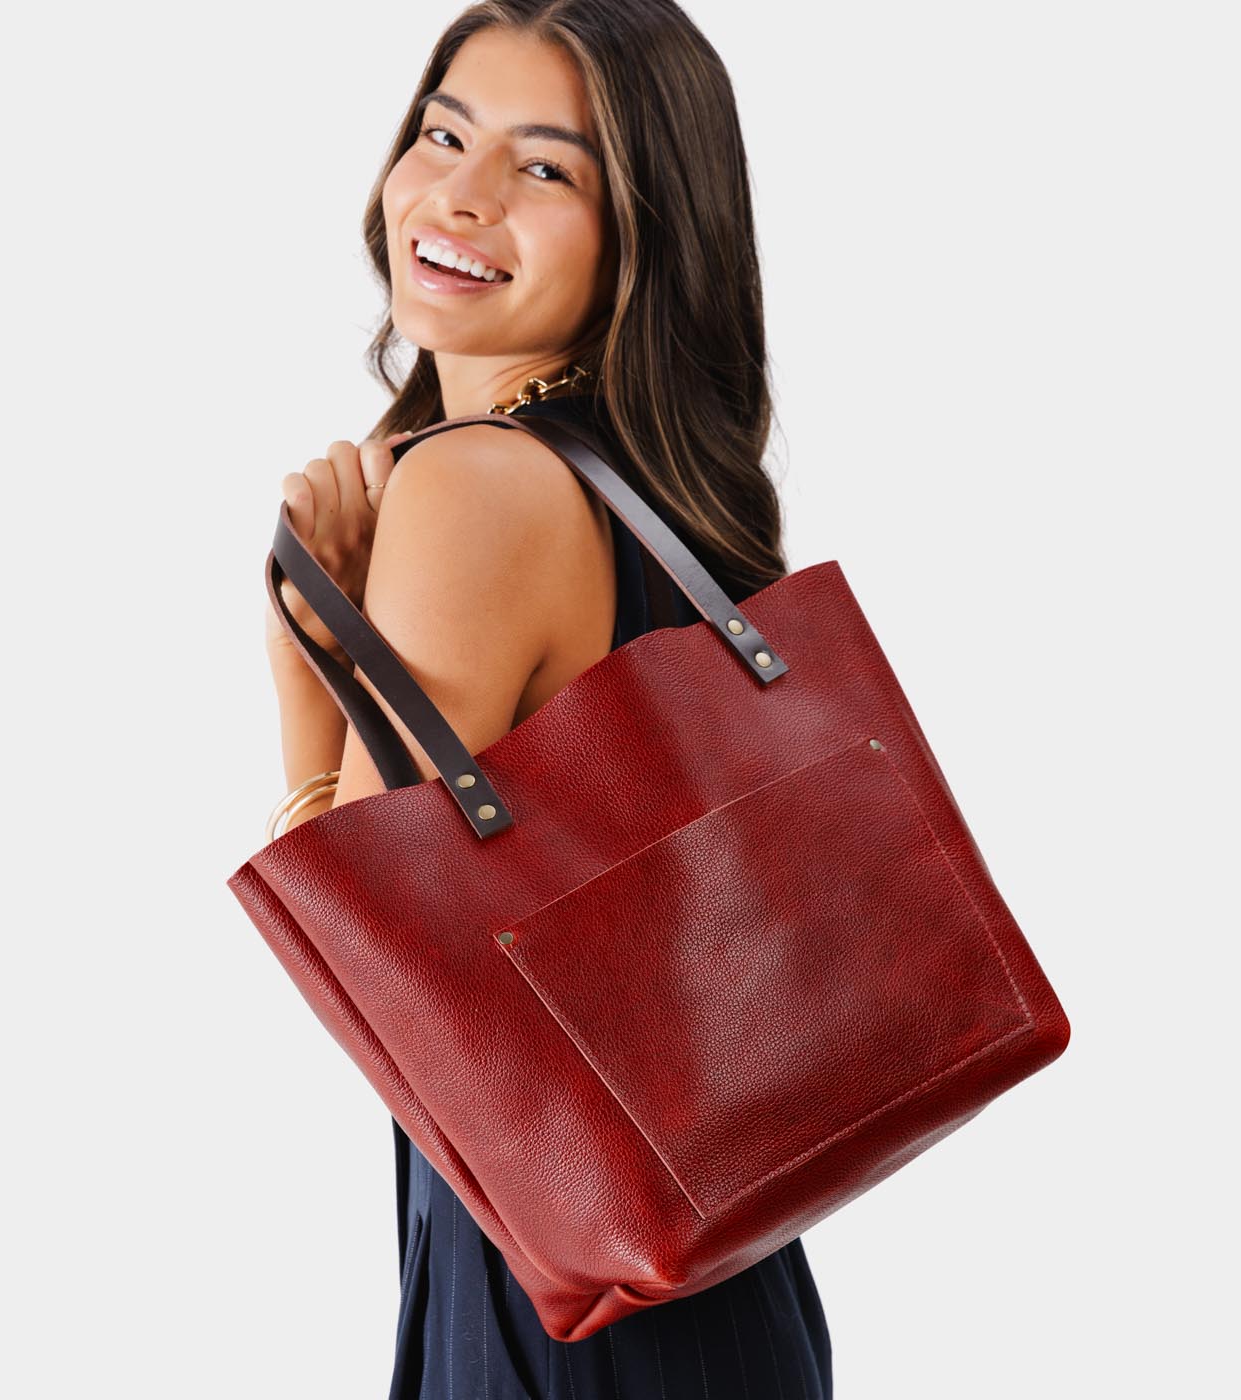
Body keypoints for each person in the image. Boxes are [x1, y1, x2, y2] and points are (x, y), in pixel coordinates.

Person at [262, 3, 834, 1395]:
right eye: (441, 135)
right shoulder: (644, 488)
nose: (459, 195)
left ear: (643, 235)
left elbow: (390, 995)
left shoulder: (472, 482)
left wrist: (306, 667)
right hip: (715, 1277)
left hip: (563, 1306)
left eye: (543, 167)